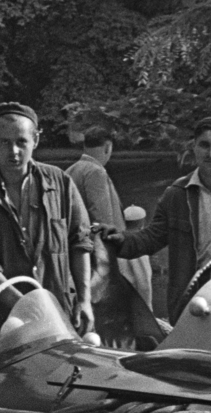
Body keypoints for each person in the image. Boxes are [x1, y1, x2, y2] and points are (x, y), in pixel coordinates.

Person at [101, 116, 211, 321]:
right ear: (194, 147)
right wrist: (120, 239)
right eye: (204, 145)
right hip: (188, 302)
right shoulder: (176, 193)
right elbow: (151, 237)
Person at [0, 102, 94, 338]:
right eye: (5, 142)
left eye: (21, 142)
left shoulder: (60, 183)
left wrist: (85, 299)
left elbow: (80, 242)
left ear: (35, 141)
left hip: (62, 321)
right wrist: (29, 310)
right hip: (2, 328)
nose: (14, 151)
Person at [66, 127, 160, 349]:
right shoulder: (95, 172)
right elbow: (103, 223)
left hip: (76, 258)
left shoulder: (69, 171)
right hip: (101, 262)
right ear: (108, 148)